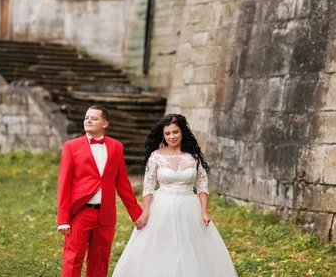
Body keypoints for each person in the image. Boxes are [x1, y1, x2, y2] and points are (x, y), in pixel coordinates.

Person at [112, 113, 238, 277]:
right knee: (162, 248)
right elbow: (148, 188)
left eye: (175, 132)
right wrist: (145, 213)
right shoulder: (156, 156)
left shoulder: (193, 156)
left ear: (182, 132)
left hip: (189, 207)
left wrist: (204, 211)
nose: (172, 136)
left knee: (191, 249)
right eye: (168, 133)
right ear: (163, 135)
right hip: (162, 207)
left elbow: (202, 184)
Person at [57, 105, 146, 277]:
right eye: (86, 117)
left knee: (101, 260)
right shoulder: (71, 146)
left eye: (94, 118)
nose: (88, 120)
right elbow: (64, 184)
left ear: (105, 124)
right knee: (73, 258)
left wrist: (136, 213)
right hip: (80, 212)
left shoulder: (116, 147)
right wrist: (63, 219)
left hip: (105, 215)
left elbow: (122, 184)